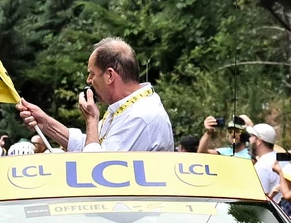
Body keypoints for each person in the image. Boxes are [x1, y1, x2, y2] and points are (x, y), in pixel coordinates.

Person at [16, 37, 174, 153]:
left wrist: (91, 120)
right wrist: (45, 124)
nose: (88, 80)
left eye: (92, 74)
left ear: (110, 75)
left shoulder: (140, 116)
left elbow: (97, 169)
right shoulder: (128, 107)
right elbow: (89, 144)